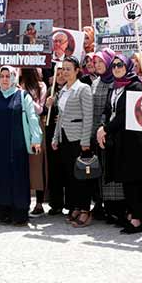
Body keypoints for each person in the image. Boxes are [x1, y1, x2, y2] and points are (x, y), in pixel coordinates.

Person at [97, 54, 142, 234]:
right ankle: (130, 213)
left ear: (128, 66)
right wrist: (102, 127)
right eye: (113, 66)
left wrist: (105, 129)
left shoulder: (135, 86)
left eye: (120, 65)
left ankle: (137, 218)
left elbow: (126, 114)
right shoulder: (114, 87)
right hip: (118, 139)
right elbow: (108, 109)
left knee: (133, 178)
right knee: (125, 179)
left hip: (132, 140)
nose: (116, 68)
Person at [0, 65, 41, 226]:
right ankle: (3, 212)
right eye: (1, 76)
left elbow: (32, 118)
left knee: (18, 178)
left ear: (13, 78)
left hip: (17, 145)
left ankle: (19, 213)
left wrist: (36, 139)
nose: (4, 79)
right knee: (1, 178)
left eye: (7, 76)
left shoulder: (23, 96)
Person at [52, 57, 95, 228]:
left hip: (78, 138)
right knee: (71, 175)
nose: (65, 72)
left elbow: (88, 116)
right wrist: (55, 137)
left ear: (77, 70)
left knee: (81, 176)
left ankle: (85, 209)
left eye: (69, 68)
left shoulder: (83, 89)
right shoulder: (63, 90)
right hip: (64, 137)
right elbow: (60, 117)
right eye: (63, 69)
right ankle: (76, 206)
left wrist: (85, 141)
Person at [90, 49, 123, 223]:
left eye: (101, 62)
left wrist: (105, 128)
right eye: (95, 62)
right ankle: (99, 204)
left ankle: (115, 208)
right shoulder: (95, 83)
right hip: (95, 133)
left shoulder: (117, 83)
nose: (97, 65)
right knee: (98, 171)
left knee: (111, 170)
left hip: (111, 133)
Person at [20, 67, 48, 216]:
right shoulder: (16, 83)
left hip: (36, 126)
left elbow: (39, 109)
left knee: (37, 164)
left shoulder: (41, 86)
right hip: (19, 126)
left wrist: (25, 96)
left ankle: (39, 202)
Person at [44, 64, 68, 217]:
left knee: (67, 168)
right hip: (52, 133)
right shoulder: (50, 91)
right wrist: (48, 106)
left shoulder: (71, 90)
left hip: (67, 133)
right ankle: (56, 203)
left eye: (63, 73)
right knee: (54, 169)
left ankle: (71, 203)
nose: (60, 76)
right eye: (57, 73)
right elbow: (45, 115)